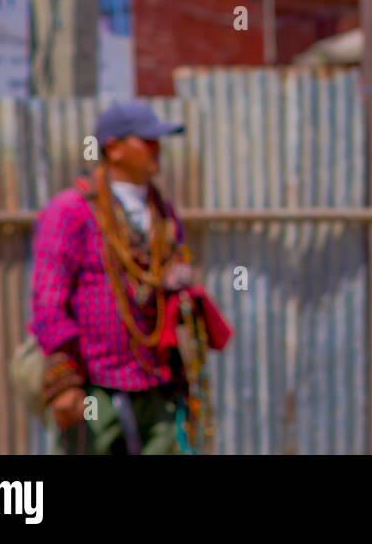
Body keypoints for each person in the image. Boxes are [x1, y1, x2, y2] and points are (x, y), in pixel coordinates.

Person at [28, 101, 226, 454]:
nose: (157, 150)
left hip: (157, 381)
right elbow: (48, 298)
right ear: (114, 148)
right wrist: (64, 381)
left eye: (157, 142)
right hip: (96, 384)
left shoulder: (160, 211)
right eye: (146, 141)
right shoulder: (70, 211)